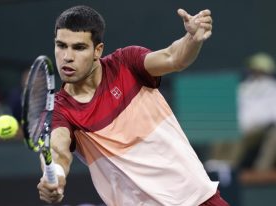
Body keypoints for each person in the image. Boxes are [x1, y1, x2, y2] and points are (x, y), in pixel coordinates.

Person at [37, 5, 228, 205]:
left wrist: (192, 39)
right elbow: (58, 150)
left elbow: (173, 57)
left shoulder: (126, 64)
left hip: (198, 199)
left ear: (97, 50)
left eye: (79, 47)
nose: (67, 56)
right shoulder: (60, 110)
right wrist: (55, 176)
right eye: (61, 45)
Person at [233, 52, 276, 171]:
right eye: (254, 70)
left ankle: (260, 172)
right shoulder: (243, 88)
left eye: (259, 70)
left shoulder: (273, 89)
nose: (256, 73)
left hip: (264, 130)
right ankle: (225, 172)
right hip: (242, 130)